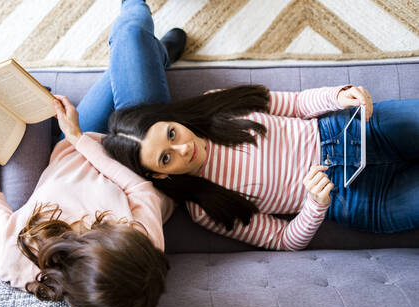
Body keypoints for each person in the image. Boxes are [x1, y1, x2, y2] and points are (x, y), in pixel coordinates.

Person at [0, 0, 186, 307]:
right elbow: (138, 185)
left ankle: (158, 55)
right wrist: (79, 137)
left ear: (79, 245)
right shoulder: (144, 249)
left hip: (73, 146)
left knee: (130, 48)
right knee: (131, 36)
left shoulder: (14, 255)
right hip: (136, 156)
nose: (127, 226)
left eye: (108, 226)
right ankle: (156, 52)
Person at [102, 83, 419, 251]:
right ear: (160, 174)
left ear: (171, 119)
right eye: (167, 158)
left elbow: (294, 105)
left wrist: (338, 96)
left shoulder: (216, 105)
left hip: (353, 129)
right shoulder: (206, 210)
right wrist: (314, 205)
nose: (184, 148)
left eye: (172, 133)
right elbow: (284, 240)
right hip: (356, 198)